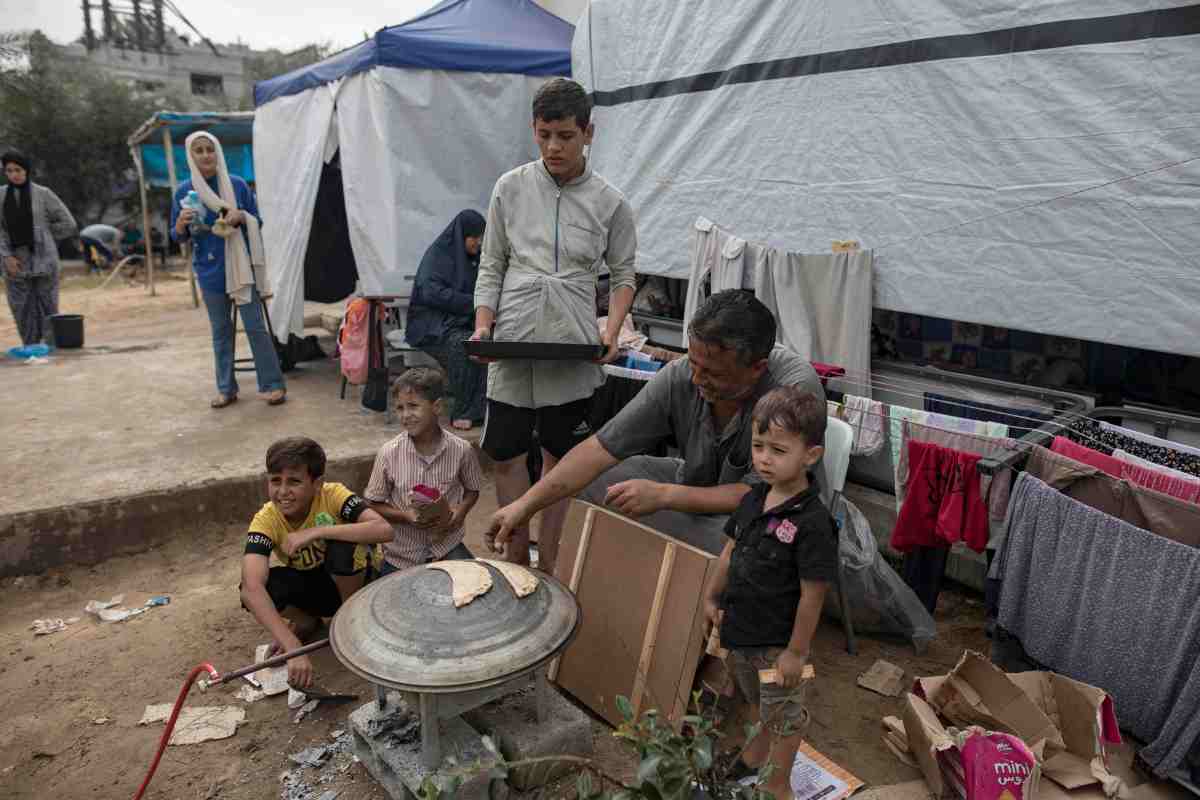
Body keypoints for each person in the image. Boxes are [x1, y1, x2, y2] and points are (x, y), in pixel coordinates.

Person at [488, 290, 826, 558]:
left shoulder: (794, 390)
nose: (696, 379)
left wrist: (665, 495)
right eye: (692, 363)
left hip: (769, 511)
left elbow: (766, 494)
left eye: (713, 373)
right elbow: (598, 449)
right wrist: (524, 505)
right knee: (597, 482)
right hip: (693, 483)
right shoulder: (683, 375)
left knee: (744, 548)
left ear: (757, 368)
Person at [472, 77, 638, 570]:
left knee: (560, 461)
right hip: (513, 340)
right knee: (506, 454)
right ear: (533, 130)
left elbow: (625, 275)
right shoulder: (510, 187)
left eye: (565, 135)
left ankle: (553, 562)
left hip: (572, 343)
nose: (553, 146)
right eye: (544, 134)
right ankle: (515, 559)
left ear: (589, 132)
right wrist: (484, 326)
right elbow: (492, 264)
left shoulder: (611, 202)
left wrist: (611, 331)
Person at [704, 386, 837, 800]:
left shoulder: (814, 524)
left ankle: (777, 785)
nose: (763, 458)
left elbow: (813, 594)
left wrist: (796, 652)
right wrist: (712, 597)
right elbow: (730, 549)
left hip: (777, 643)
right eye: (758, 445)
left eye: (778, 450)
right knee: (753, 701)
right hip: (740, 630)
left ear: (810, 456)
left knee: (783, 716)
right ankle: (752, 761)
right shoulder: (754, 497)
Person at [240, 437, 392, 688]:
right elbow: (251, 588)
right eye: (275, 481)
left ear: (317, 483)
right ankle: (306, 622)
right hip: (317, 585)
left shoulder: (334, 495)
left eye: (295, 481)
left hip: (358, 583)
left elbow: (384, 529)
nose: (283, 492)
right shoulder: (266, 519)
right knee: (260, 586)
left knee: (342, 547)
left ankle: (350, 623)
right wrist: (292, 646)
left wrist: (317, 532)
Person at [171, 131, 286, 408]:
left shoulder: (236, 185)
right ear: (190, 156)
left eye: (209, 149)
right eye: (198, 150)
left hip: (241, 267)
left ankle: (272, 384)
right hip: (209, 269)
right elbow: (177, 237)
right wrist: (180, 224)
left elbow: (257, 219)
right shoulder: (184, 191)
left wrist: (241, 216)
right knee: (221, 330)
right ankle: (226, 388)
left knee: (255, 327)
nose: (205, 155)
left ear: (218, 152)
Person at [364, 367, 484, 575]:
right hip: (402, 556)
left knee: (478, 587)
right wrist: (406, 516)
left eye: (413, 406)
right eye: (400, 408)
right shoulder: (388, 454)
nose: (405, 415)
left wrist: (461, 511)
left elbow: (473, 490)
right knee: (390, 603)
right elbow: (373, 503)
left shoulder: (461, 450)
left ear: (437, 407)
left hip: (447, 546)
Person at [405, 210, 488, 430]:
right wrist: (472, 302)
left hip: (454, 323)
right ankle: (462, 411)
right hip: (430, 326)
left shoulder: (472, 260)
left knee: (485, 345)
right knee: (462, 347)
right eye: (475, 237)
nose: (478, 243)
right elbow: (430, 292)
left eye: (481, 238)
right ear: (462, 236)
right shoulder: (438, 256)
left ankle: (479, 410)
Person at [1, 151, 77, 346]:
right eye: (9, 170)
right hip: (14, 262)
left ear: (26, 170)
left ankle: (52, 346)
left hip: (44, 261)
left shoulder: (43, 194)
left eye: (18, 170)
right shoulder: (1, 196)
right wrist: (6, 256)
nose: (14, 174)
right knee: (21, 307)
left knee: (48, 304)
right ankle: (31, 346)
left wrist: (44, 236)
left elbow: (68, 223)